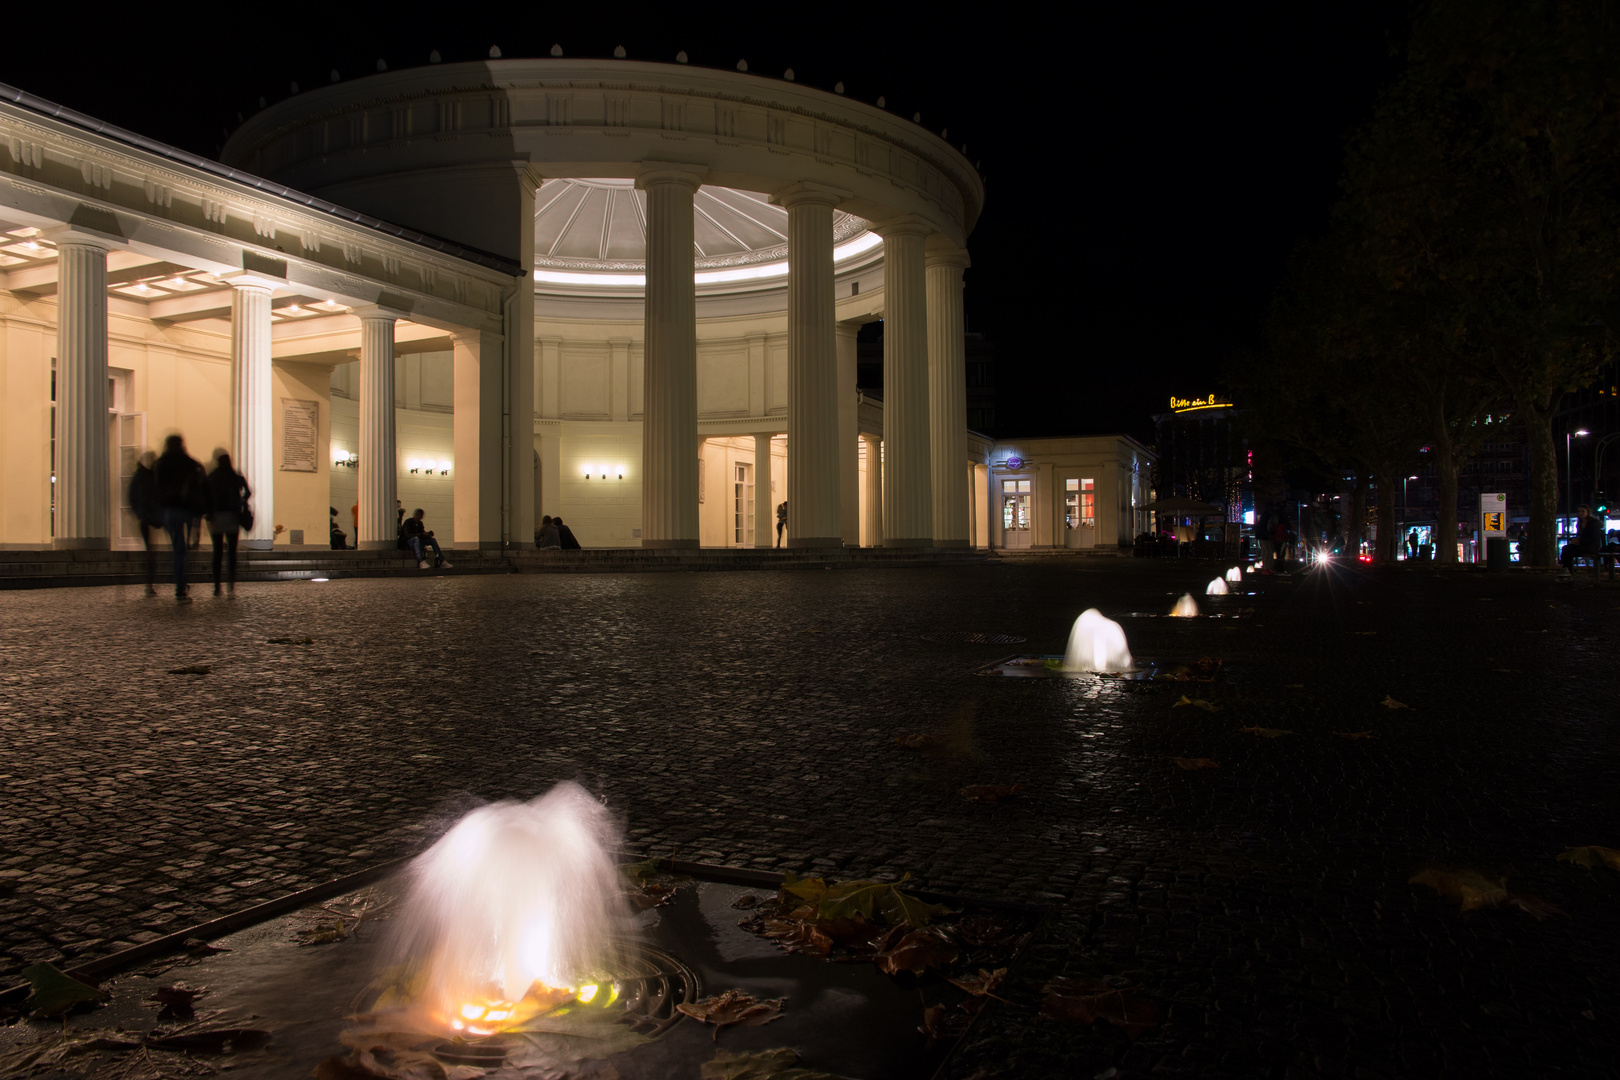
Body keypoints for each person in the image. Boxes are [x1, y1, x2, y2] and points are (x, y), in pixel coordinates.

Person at [153, 434, 207, 603]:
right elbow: (202, 485)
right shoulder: (190, 463)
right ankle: (181, 585)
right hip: (187, 509)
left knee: (178, 547)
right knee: (183, 548)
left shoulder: (161, 463)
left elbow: (155, 488)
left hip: (170, 510)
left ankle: (180, 583)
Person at [205, 452, 251, 595]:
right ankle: (231, 584)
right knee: (232, 552)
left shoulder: (213, 476)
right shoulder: (235, 476)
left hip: (217, 516)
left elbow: (205, 494)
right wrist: (241, 501)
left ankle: (217, 586)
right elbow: (248, 492)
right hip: (232, 515)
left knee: (217, 552)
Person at [128, 450, 161, 596]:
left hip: (150, 515)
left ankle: (150, 584)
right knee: (150, 551)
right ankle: (149, 583)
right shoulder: (149, 476)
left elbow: (132, 497)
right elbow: (132, 497)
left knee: (150, 551)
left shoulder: (144, 476)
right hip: (149, 516)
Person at [1560, 504, 1604, 573]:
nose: (1580, 513)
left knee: (1568, 550)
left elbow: (1593, 538)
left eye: (1582, 511)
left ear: (1587, 512)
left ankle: (1567, 570)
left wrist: (1579, 540)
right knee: (1566, 549)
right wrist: (1574, 539)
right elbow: (1580, 536)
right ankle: (1567, 569)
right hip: (1583, 545)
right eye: (1579, 511)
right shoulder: (1579, 523)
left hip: (1591, 546)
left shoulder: (1593, 523)